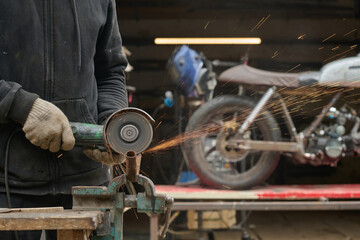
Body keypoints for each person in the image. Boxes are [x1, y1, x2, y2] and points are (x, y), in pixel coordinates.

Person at [0, 1, 128, 239]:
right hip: (7, 182)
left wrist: (111, 125)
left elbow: (110, 72)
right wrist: (21, 106)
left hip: (87, 186)